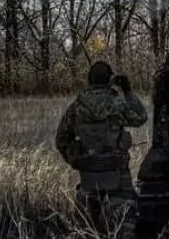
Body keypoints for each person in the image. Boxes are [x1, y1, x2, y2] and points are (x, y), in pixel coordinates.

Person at [55, 60, 148, 238]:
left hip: (88, 175)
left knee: (85, 228)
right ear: (110, 80)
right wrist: (128, 91)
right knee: (125, 224)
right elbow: (141, 117)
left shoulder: (77, 107)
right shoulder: (118, 104)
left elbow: (61, 140)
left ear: (89, 80)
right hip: (117, 172)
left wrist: (77, 160)